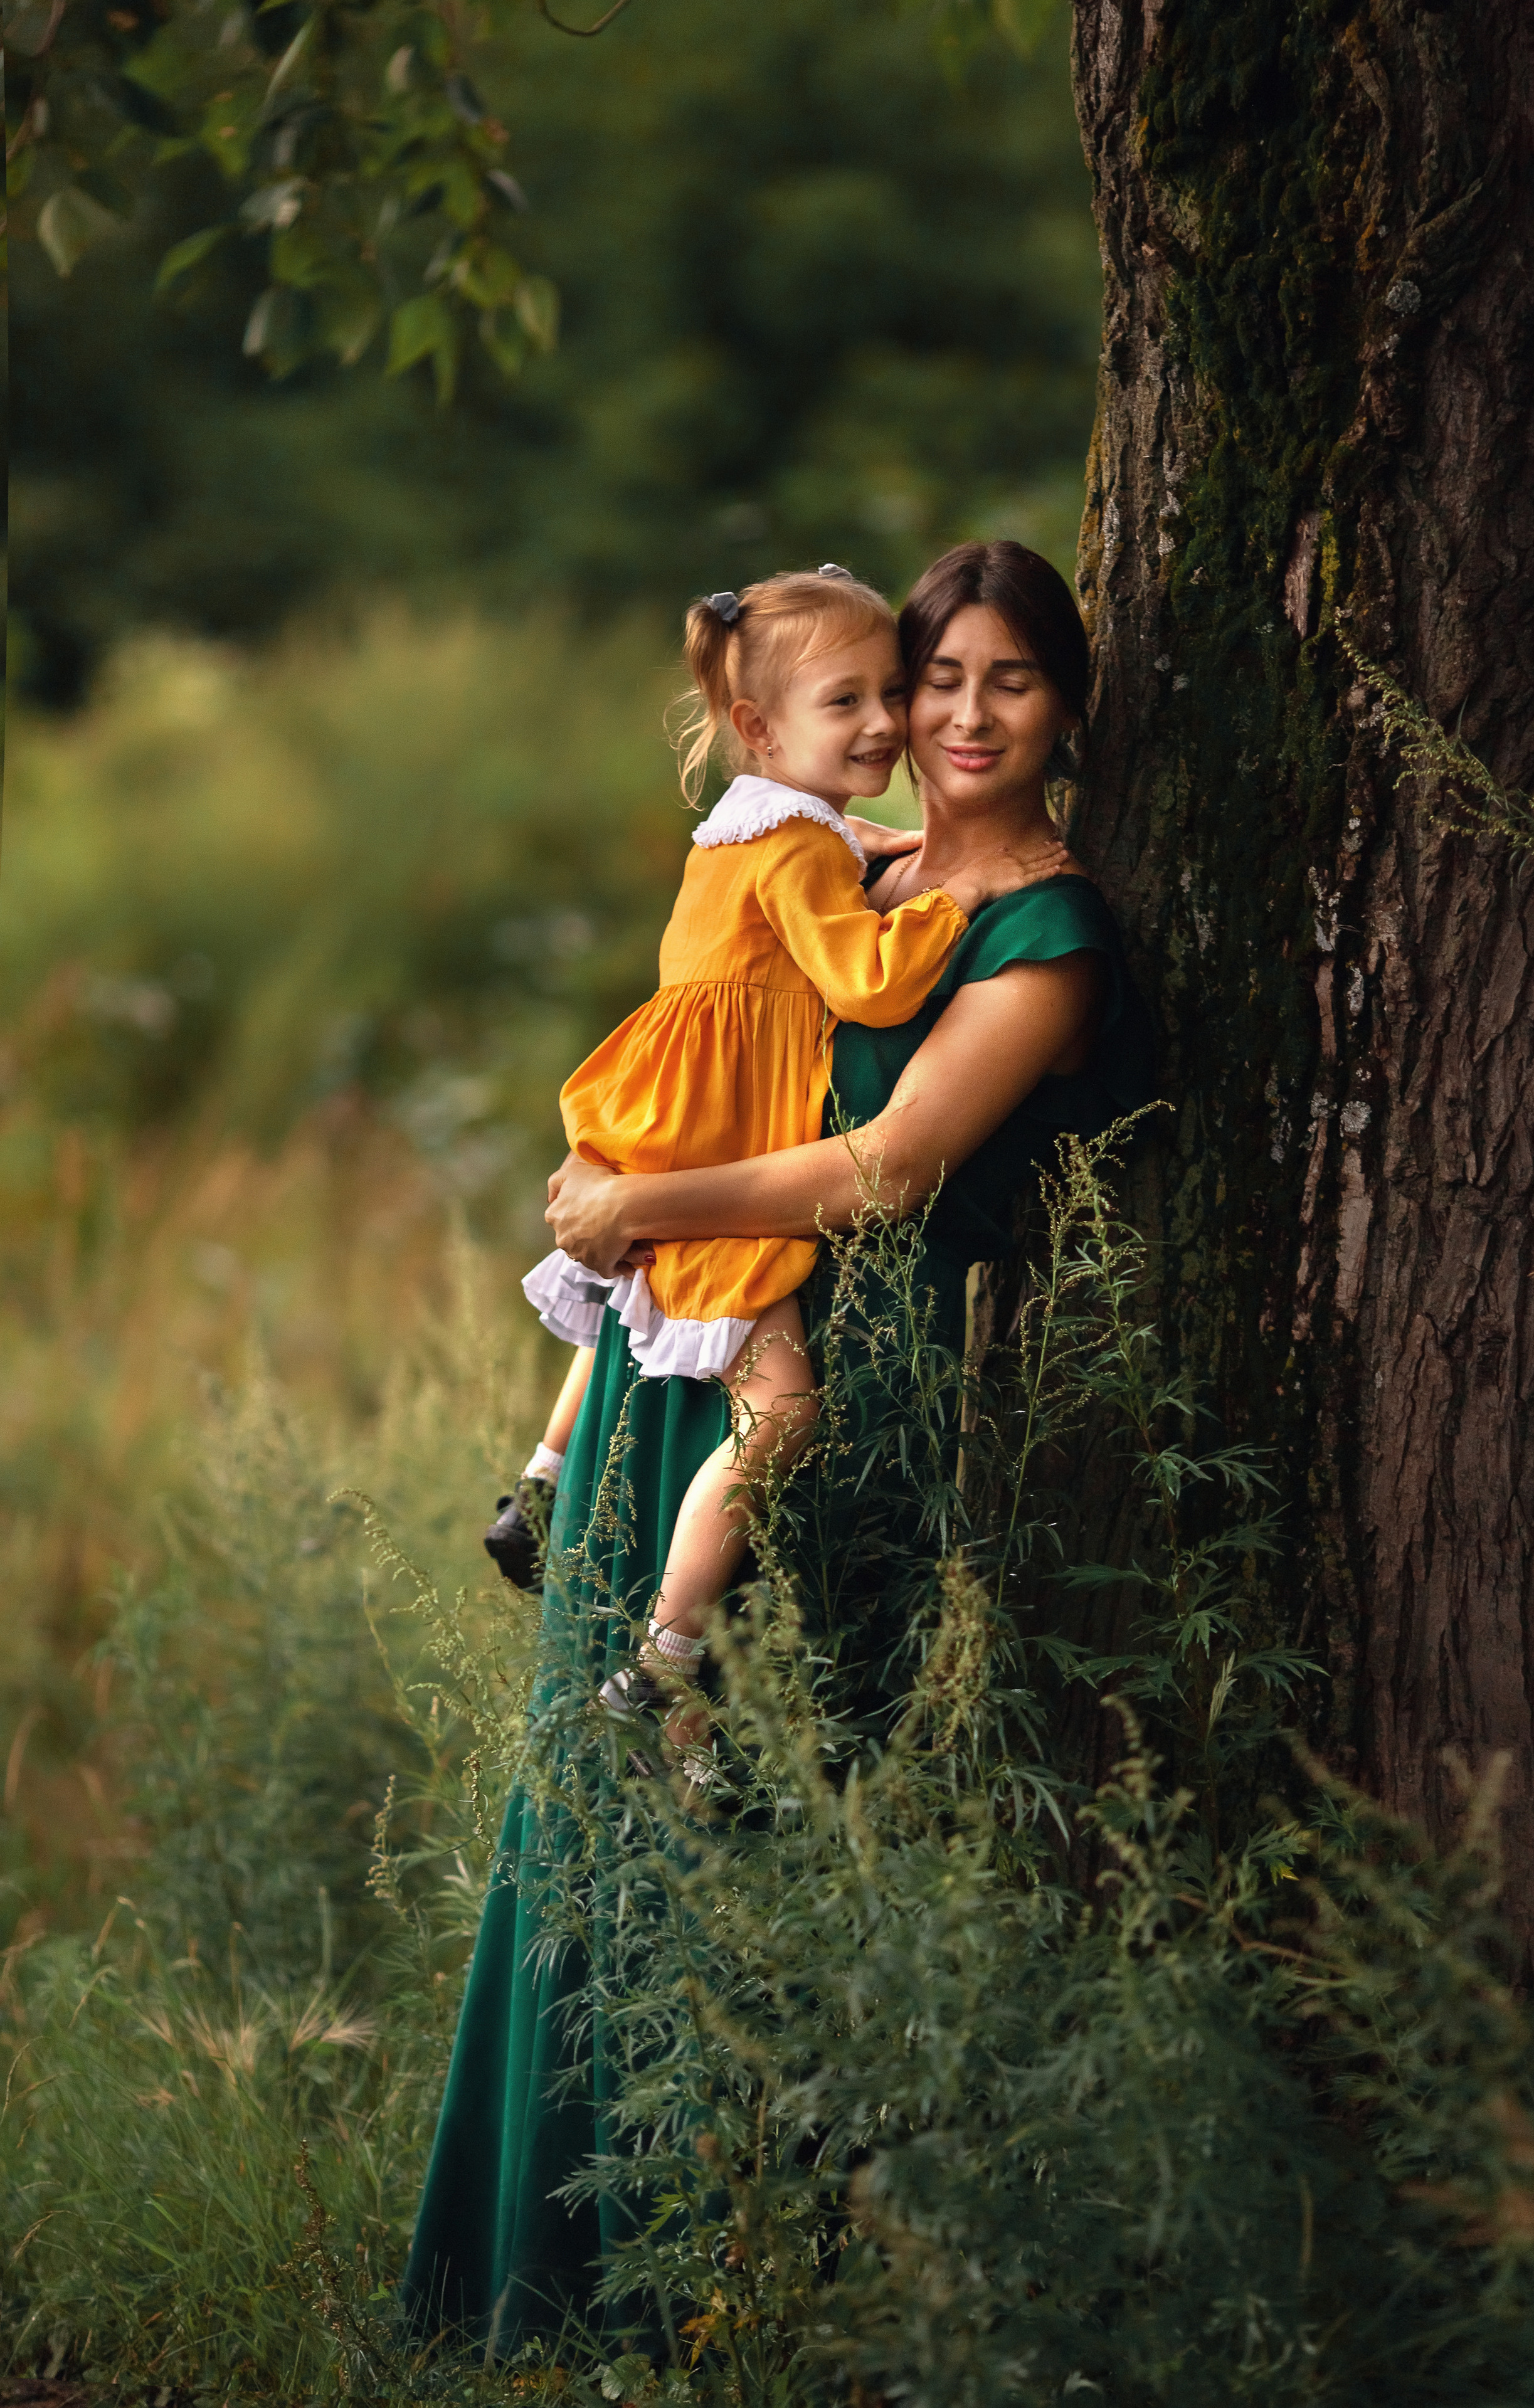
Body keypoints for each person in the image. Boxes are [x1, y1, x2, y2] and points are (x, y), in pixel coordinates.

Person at [401, 539, 1155, 2356]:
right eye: (931, 678)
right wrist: (644, 1222)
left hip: (853, 1413)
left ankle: (720, 2295)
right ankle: (534, 2279)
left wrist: (633, 1200)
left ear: (1068, 707)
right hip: (695, 1361)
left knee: (768, 1808)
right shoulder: (845, 861)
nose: (956, 717)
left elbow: (889, 1173)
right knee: (597, 1808)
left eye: (1007, 683)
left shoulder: (1042, 930)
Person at [514, 563, 1020, 1719]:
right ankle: (664, 1659)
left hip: (665, 1124)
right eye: (846, 703)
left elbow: (852, 846)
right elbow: (870, 984)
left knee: (627, 1308)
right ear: (758, 727)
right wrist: (965, 891)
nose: (889, 723)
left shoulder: (756, 825)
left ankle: (540, 1483)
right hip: (723, 1139)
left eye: (893, 693)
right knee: (780, 1410)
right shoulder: (797, 847)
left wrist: (906, 855)